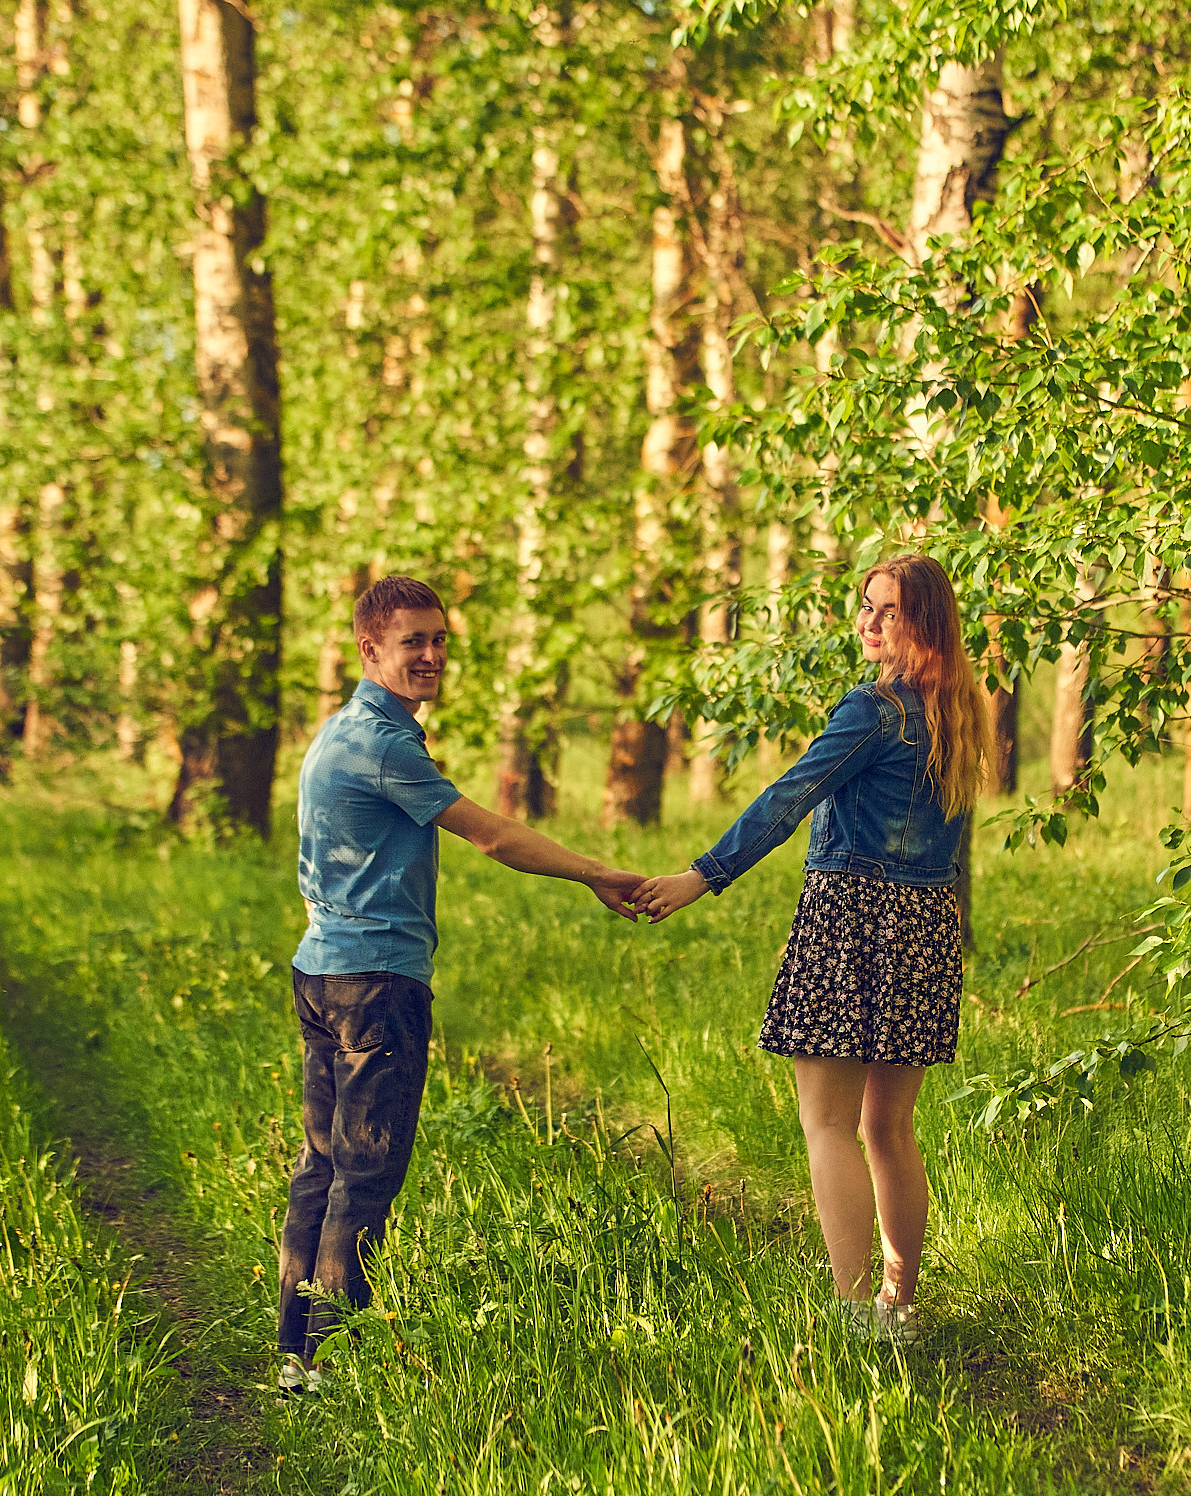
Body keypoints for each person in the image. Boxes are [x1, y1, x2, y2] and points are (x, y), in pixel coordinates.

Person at [280, 575, 645, 1391]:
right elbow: (492, 836)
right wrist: (594, 872)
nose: (433, 655)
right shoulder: (382, 745)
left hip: (325, 970)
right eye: (414, 641)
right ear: (369, 649)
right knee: (363, 1173)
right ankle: (332, 1363)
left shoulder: (339, 732)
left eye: (440, 640)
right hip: (375, 984)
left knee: (323, 1165)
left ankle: (295, 1355)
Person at [633, 554, 986, 1343]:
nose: (866, 622)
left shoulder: (876, 709)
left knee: (827, 1124)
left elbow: (787, 796)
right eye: (865, 606)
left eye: (886, 610)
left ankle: (857, 1313)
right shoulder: (958, 711)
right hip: (925, 927)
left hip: (853, 919)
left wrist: (702, 875)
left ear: (923, 621)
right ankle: (899, 1305)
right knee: (889, 1128)